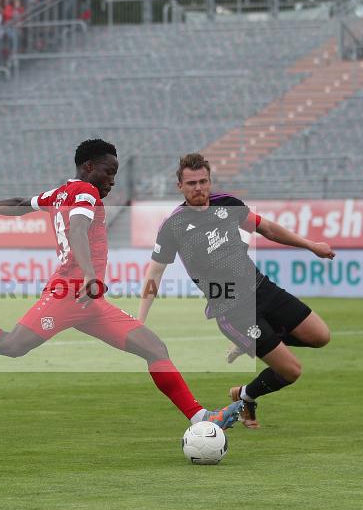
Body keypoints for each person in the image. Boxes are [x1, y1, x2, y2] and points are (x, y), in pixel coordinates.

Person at [0, 139, 245, 429]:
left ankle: (200, 417)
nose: (112, 181)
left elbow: (19, 204)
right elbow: (76, 229)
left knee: (154, 348)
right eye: (109, 171)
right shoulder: (86, 193)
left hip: (90, 302)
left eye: (115, 174)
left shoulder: (59, 192)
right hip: (71, 292)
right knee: (12, 345)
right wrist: (90, 275)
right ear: (88, 167)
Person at [138, 153, 335, 429]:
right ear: (180, 186)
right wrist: (140, 320)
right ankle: (246, 395)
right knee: (291, 371)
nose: (199, 188)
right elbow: (155, 273)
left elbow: (267, 228)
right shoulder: (174, 226)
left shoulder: (228, 204)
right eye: (192, 183)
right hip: (231, 308)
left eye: (203, 181)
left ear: (210, 181)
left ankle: (246, 355)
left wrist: (311, 245)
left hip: (262, 288)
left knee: (320, 336)